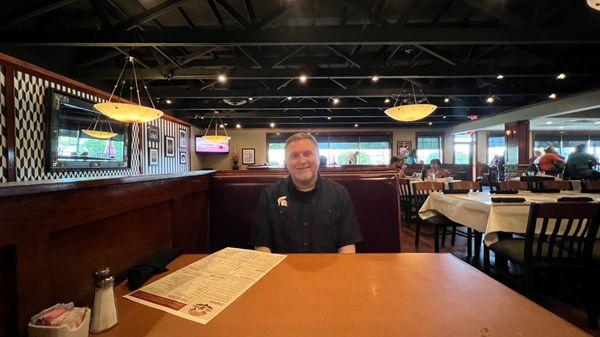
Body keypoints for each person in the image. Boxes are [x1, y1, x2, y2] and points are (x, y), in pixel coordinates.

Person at [249, 133, 363, 254]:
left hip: (329, 270)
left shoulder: (339, 193)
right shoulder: (270, 195)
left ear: (318, 159)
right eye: (294, 155)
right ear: (286, 162)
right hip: (283, 271)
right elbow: (262, 245)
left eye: (307, 154)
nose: (302, 161)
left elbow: (347, 245)